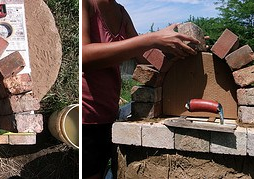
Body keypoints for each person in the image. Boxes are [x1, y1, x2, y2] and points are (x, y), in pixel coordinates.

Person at [82, 0, 201, 178]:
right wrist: (151, 39)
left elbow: (145, 58)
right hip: (85, 116)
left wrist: (180, 50)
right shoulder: (86, 3)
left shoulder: (121, 13)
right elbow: (83, 57)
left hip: (107, 115)